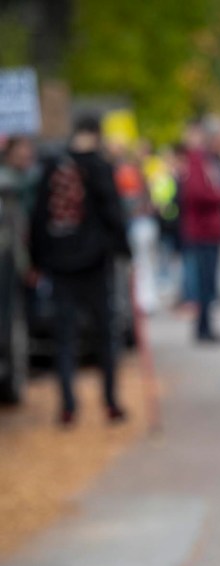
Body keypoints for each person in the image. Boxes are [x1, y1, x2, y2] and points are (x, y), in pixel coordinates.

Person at [29, 115, 131, 425]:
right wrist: (125, 251)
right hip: (94, 263)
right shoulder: (98, 167)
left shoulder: (51, 167)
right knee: (104, 334)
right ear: (96, 135)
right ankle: (110, 401)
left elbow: (37, 216)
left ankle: (68, 405)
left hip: (60, 264)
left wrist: (37, 260)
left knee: (64, 337)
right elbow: (113, 212)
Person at [179, 121, 220, 343]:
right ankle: (203, 328)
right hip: (203, 230)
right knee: (204, 281)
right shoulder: (200, 161)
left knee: (208, 282)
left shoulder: (209, 161)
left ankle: (205, 326)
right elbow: (198, 194)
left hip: (209, 230)